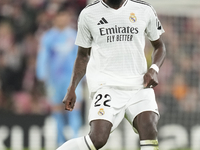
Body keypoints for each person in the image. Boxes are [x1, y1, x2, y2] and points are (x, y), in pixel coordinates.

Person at [57, 0, 166, 149]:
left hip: (139, 86)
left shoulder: (144, 9)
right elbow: (83, 56)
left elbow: (159, 46)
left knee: (149, 129)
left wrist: (154, 69)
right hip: (106, 86)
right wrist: (72, 88)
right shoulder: (89, 14)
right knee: (97, 139)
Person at [36, 7, 83, 146]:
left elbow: (81, 56)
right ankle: (60, 142)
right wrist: (41, 73)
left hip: (73, 80)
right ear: (55, 18)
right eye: (59, 16)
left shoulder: (75, 35)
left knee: (74, 108)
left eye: (65, 16)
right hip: (54, 80)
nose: (62, 19)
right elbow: (43, 57)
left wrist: (83, 76)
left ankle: (75, 140)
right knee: (57, 110)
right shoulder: (48, 37)